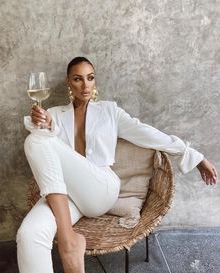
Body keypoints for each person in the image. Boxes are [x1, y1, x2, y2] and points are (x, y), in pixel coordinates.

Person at [16, 56, 218, 273]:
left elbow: (149, 134)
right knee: (29, 234)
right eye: (78, 79)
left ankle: (67, 240)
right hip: (68, 196)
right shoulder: (55, 114)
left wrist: (193, 155)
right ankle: (70, 240)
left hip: (101, 189)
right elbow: (44, 152)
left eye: (90, 78)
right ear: (68, 82)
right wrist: (45, 125)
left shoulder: (109, 112)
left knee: (35, 140)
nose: (85, 85)